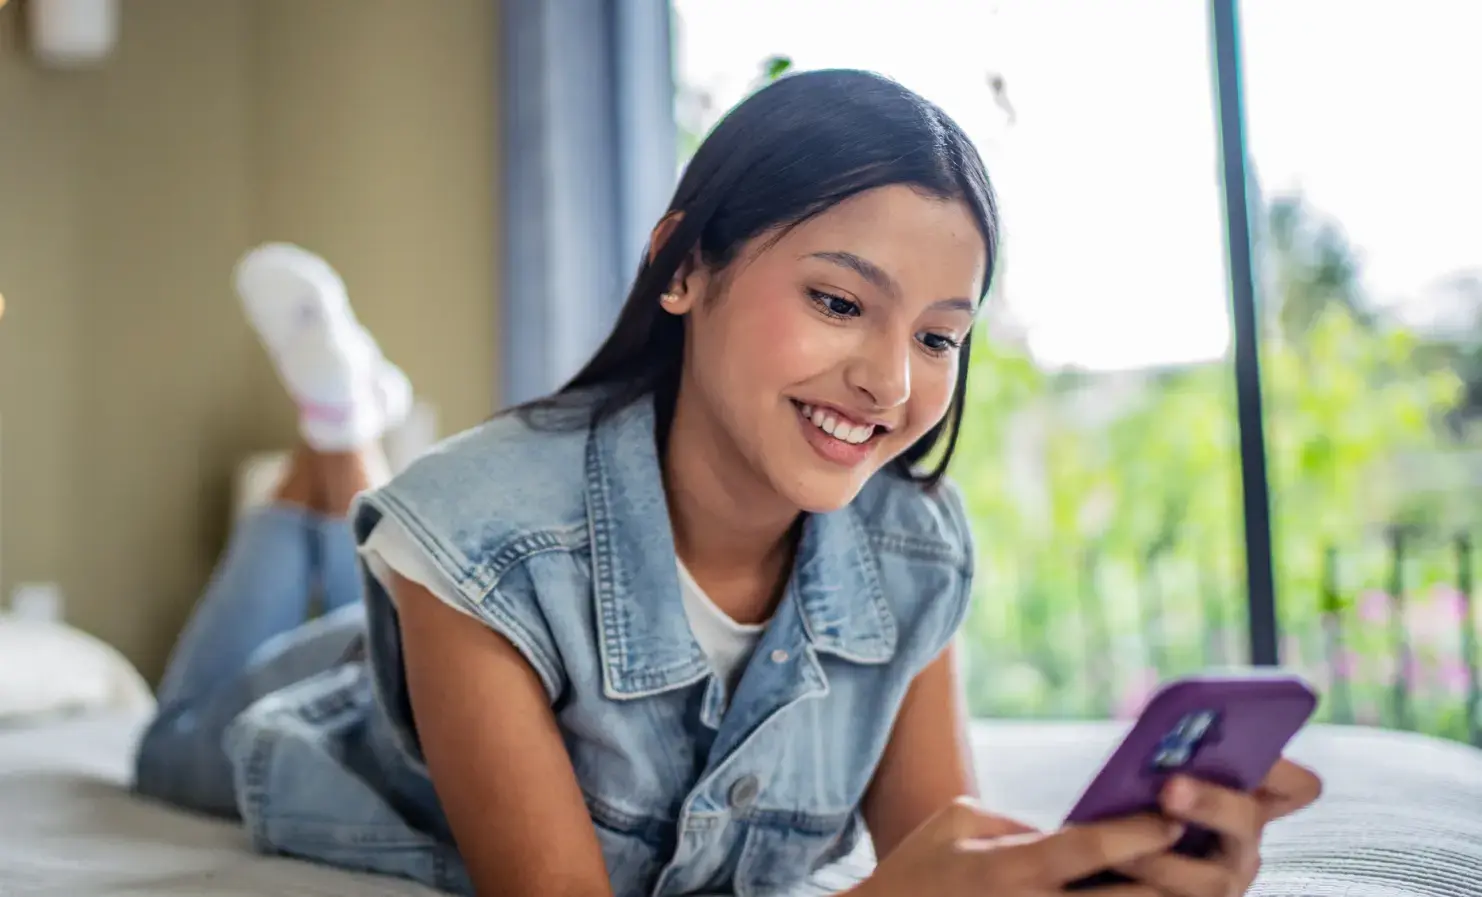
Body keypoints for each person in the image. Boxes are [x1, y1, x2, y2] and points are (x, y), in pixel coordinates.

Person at [134, 70, 1321, 897]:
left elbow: (929, 853)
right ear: (684, 265)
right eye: (840, 302)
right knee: (169, 733)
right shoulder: (476, 533)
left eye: (940, 338)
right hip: (322, 721)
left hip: (440, 618)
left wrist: (1102, 875)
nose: (888, 382)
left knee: (364, 596)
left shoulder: (913, 549)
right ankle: (340, 435)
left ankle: (341, 430)